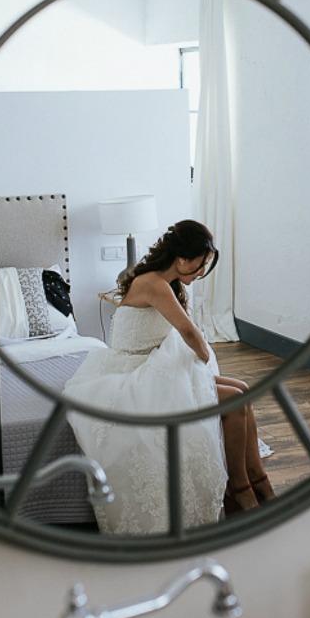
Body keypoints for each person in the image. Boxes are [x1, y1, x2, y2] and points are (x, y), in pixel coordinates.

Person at [64, 219, 275, 535]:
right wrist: (205, 362)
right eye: (200, 265)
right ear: (182, 258)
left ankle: (256, 478)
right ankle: (241, 488)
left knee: (242, 389)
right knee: (234, 399)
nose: (200, 273)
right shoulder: (153, 283)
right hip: (134, 373)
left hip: (154, 365)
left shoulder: (167, 282)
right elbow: (188, 332)